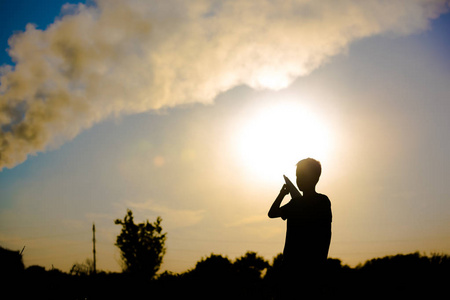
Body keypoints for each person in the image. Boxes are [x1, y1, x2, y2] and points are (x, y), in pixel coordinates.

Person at [268, 158, 332, 298]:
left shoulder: (302, 203)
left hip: (301, 270)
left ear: (315, 178)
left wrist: (282, 194)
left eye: (303, 175)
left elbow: (272, 213)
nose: (299, 179)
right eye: (297, 176)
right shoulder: (318, 201)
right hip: (305, 269)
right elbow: (272, 214)